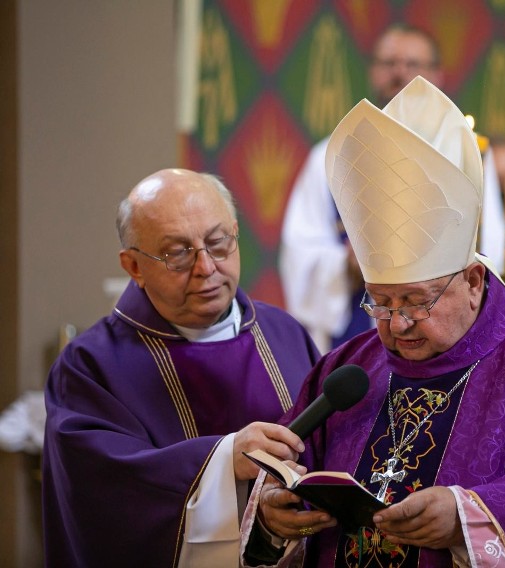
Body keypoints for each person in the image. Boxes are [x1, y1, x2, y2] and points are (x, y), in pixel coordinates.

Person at [239, 76, 505, 567]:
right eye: (380, 302)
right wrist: (272, 521)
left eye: (417, 301)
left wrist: (470, 518)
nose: (397, 325)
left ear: (474, 281)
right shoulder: (347, 370)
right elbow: (281, 485)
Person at [42, 169, 321, 568]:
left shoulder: (284, 335)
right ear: (134, 267)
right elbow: (102, 499)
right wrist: (226, 460)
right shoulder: (88, 368)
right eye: (178, 253)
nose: (205, 267)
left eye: (217, 243)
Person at [281, 23, 505, 353]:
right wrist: (347, 264)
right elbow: (300, 253)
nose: (400, 73)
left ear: (437, 75)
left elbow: (491, 252)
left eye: (413, 65)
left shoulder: (464, 155)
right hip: (362, 327)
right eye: (389, 64)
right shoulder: (332, 156)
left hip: (444, 330)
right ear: (373, 73)